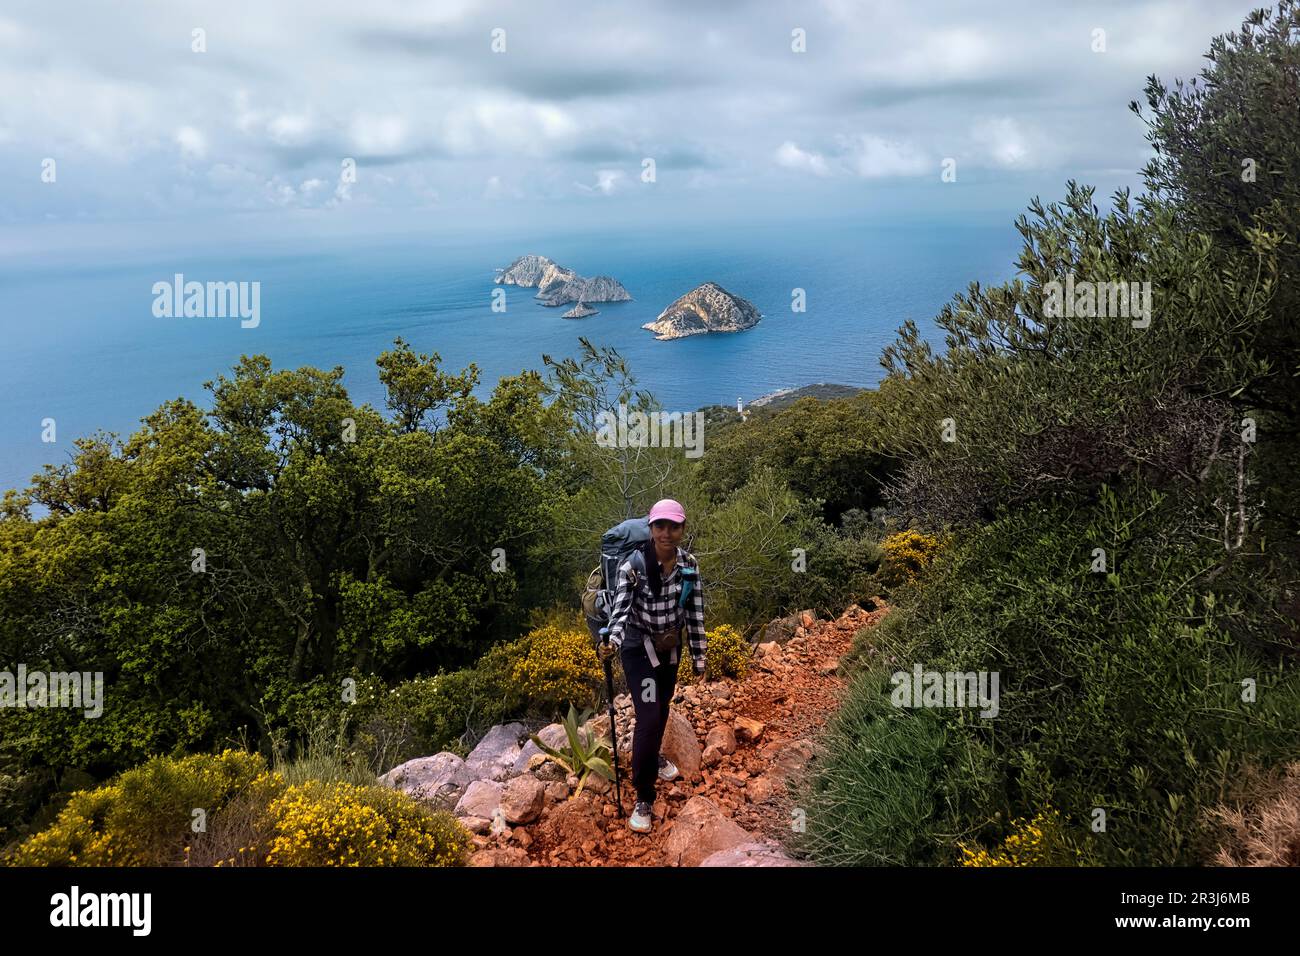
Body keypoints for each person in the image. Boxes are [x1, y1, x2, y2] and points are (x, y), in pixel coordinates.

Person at [596, 498, 706, 833]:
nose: (667, 533)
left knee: (661, 709)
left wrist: (699, 656)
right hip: (638, 648)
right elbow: (621, 610)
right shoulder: (634, 566)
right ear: (651, 527)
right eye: (661, 526)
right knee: (647, 715)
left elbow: (695, 613)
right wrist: (611, 641)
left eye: (674, 526)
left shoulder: (689, 566)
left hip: (670, 648)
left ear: (683, 529)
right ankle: (643, 796)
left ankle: (653, 758)